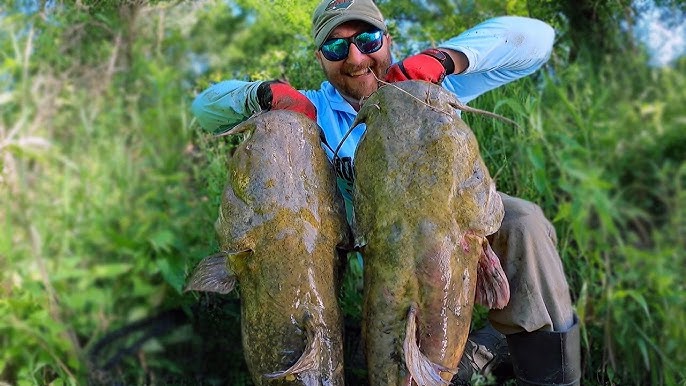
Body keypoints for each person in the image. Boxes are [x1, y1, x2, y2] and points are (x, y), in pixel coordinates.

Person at [191, 1, 581, 385]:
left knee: (524, 221)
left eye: (368, 38)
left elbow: (537, 40)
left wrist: (444, 59)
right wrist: (262, 95)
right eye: (336, 47)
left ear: (387, 39)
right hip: (351, 238)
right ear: (320, 58)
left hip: (440, 229)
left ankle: (550, 372)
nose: (356, 57)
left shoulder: (428, 88)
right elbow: (204, 108)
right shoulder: (312, 109)